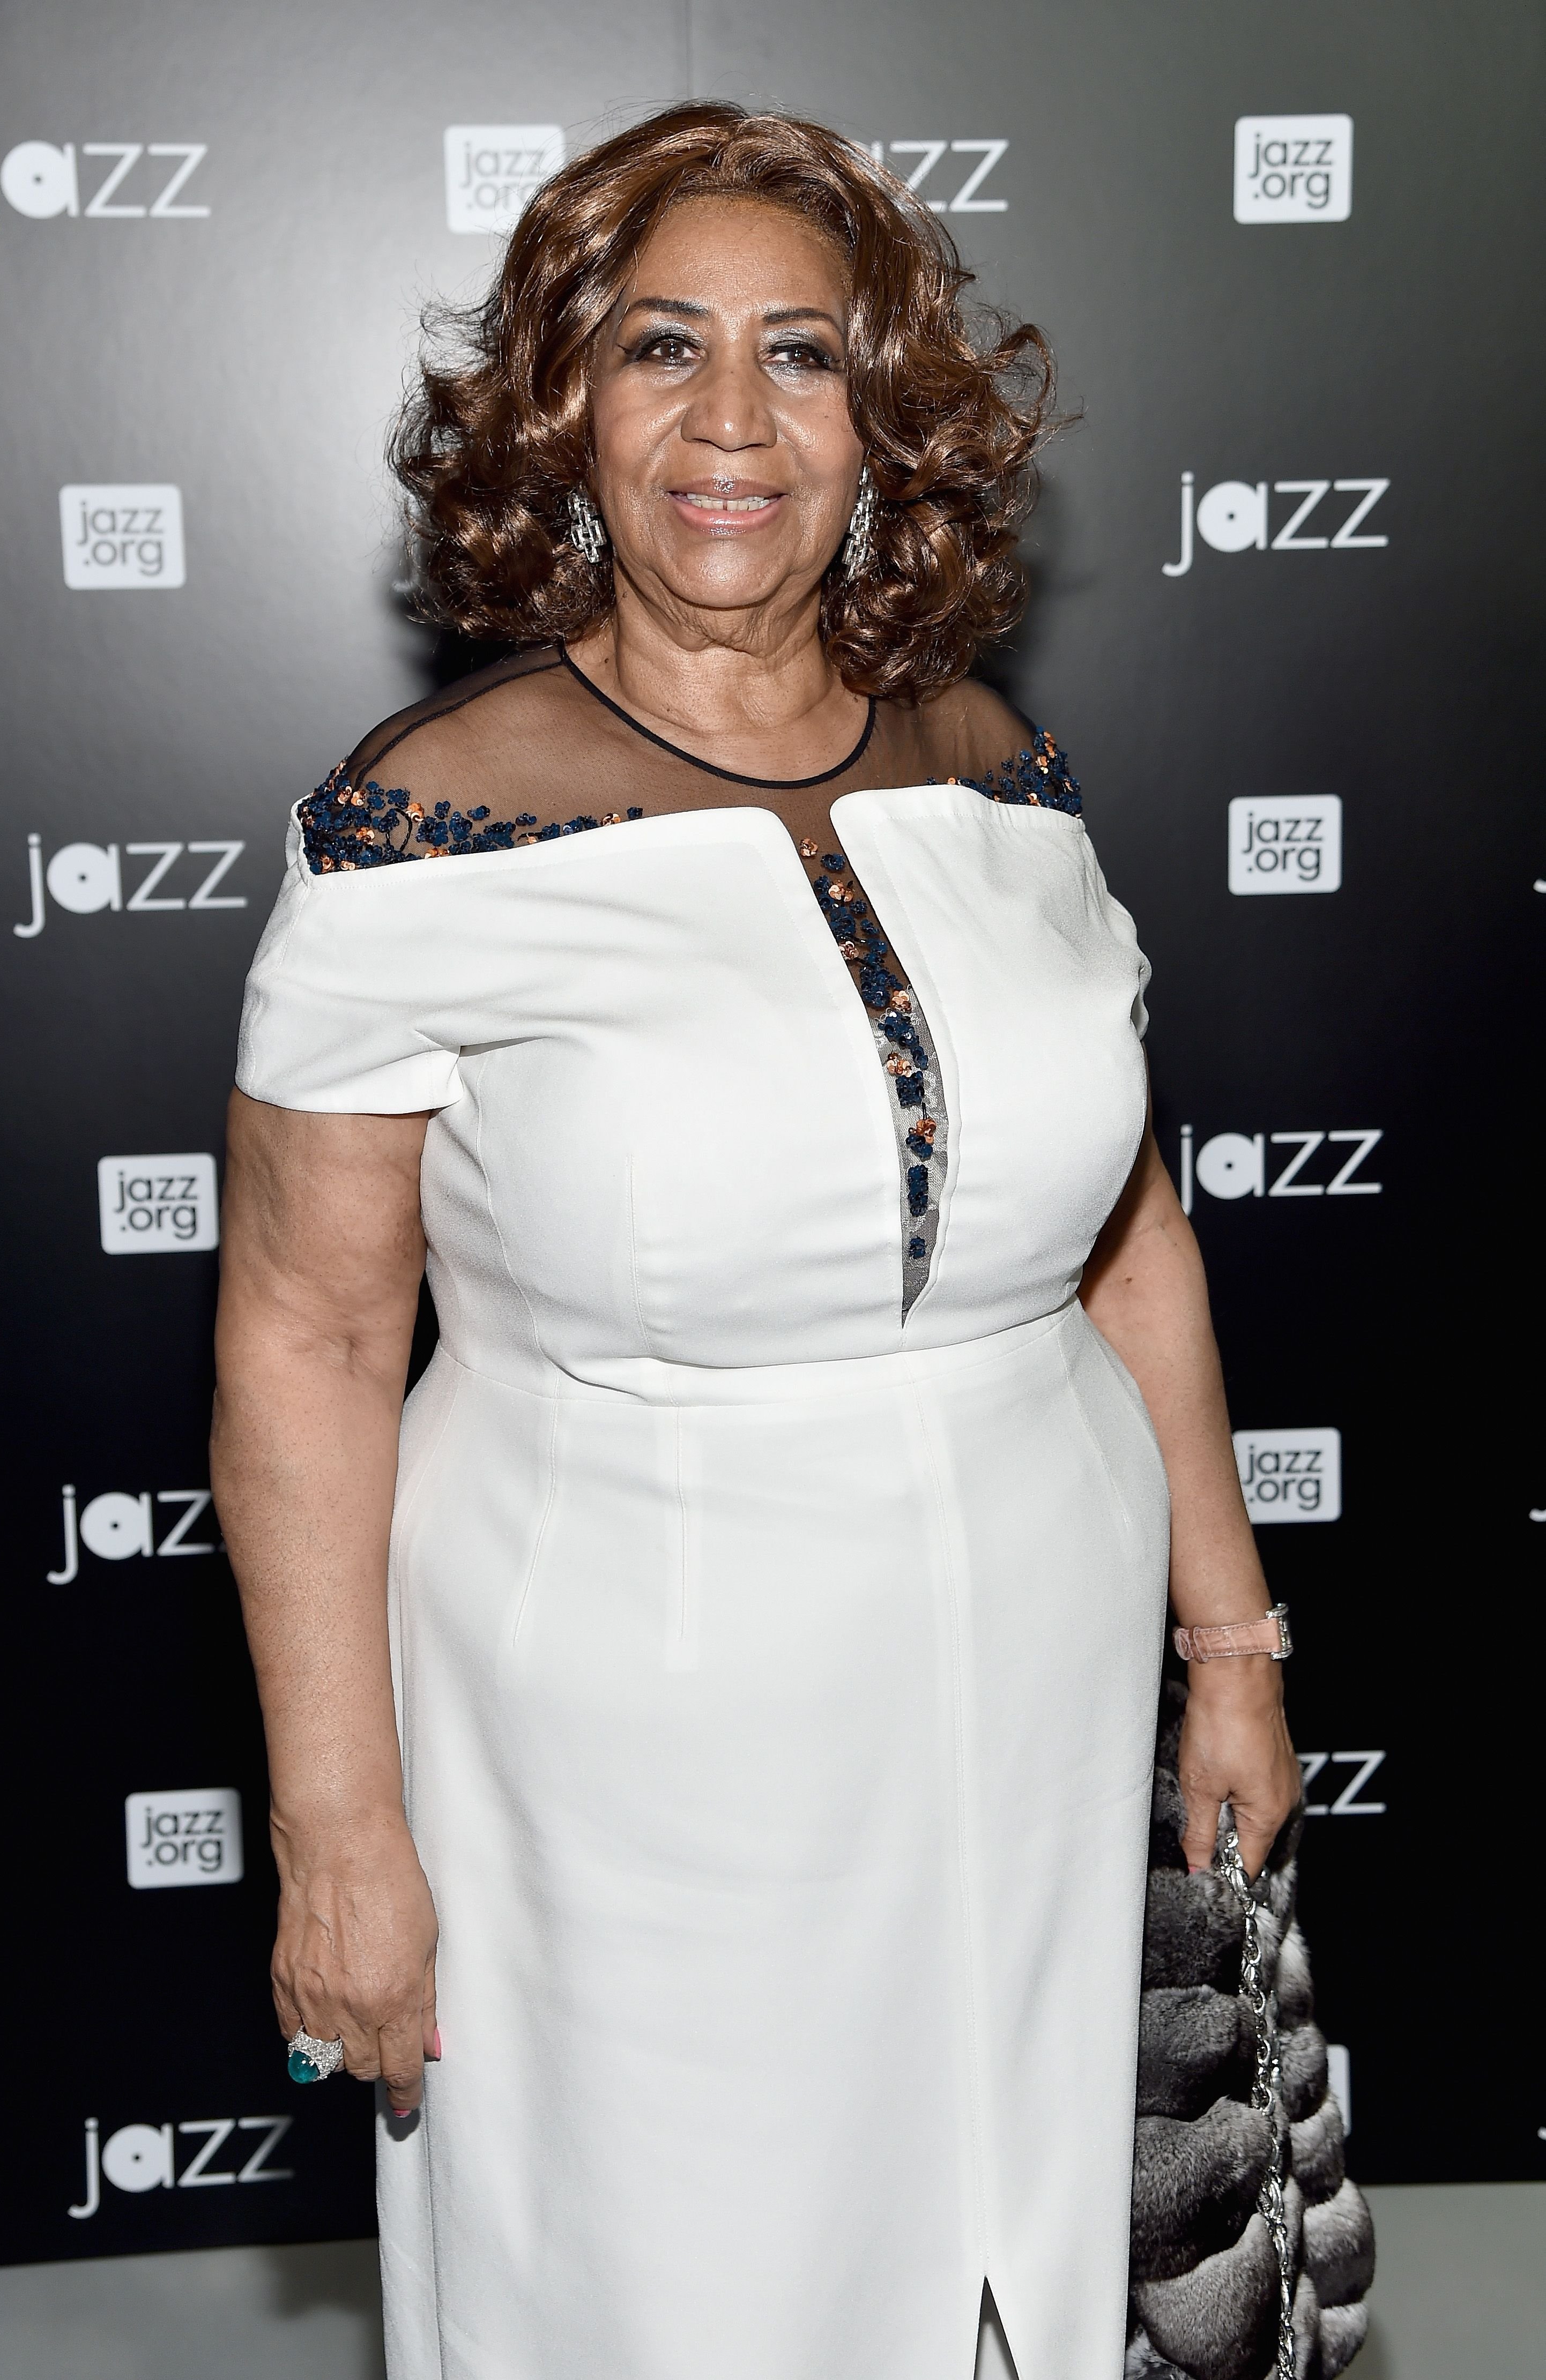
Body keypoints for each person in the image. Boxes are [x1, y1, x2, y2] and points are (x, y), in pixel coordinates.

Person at [212, 102, 1298, 2380]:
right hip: (619, 1739)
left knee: (1023, 2247)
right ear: (561, 408)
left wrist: (1231, 1637)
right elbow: (311, 1340)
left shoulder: (996, 773)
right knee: (673, 2281)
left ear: (878, 423)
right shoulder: (418, 830)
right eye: (657, 349)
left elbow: (1133, 1242)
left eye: (799, 357)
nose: (730, 421)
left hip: (1033, 1672)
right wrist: (338, 1832)